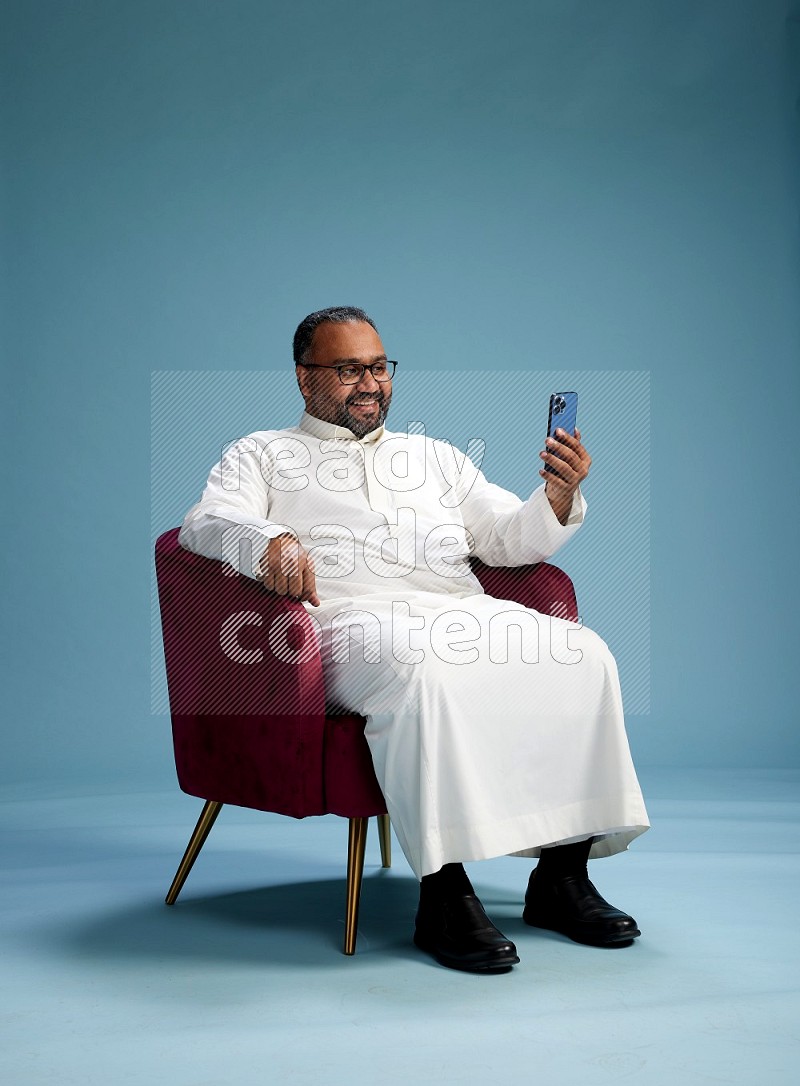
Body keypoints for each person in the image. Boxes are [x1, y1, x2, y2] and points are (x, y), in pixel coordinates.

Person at [179, 305, 650, 973]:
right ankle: (444, 892)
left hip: (456, 607)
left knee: (583, 654)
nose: (370, 383)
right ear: (304, 377)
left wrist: (555, 497)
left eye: (378, 367)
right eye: (348, 370)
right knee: (424, 667)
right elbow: (205, 522)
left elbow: (507, 541)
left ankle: (562, 878)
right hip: (342, 624)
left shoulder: (436, 458)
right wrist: (269, 541)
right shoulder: (261, 453)